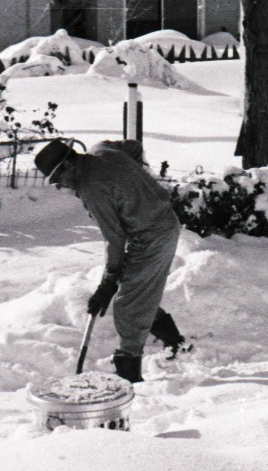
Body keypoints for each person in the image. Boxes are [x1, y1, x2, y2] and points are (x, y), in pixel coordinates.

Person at [34, 137, 188, 382]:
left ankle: (129, 375)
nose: (59, 186)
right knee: (137, 294)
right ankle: (175, 344)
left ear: (68, 165)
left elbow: (114, 240)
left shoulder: (92, 188)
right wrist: (137, 184)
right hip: (162, 223)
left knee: (127, 306)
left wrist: (107, 284)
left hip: (151, 237)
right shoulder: (101, 150)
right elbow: (133, 147)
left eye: (57, 179)